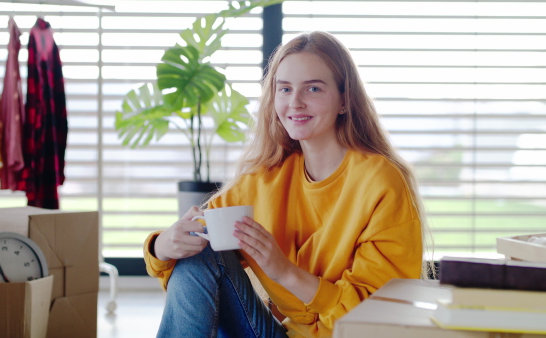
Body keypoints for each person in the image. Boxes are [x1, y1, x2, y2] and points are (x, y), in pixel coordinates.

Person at [144, 31, 431, 338]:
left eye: (314, 88)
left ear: (345, 100)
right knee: (200, 251)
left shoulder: (381, 182)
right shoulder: (266, 179)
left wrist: (285, 272)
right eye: (285, 89)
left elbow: (377, 318)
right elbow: (192, 265)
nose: (295, 102)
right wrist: (163, 246)